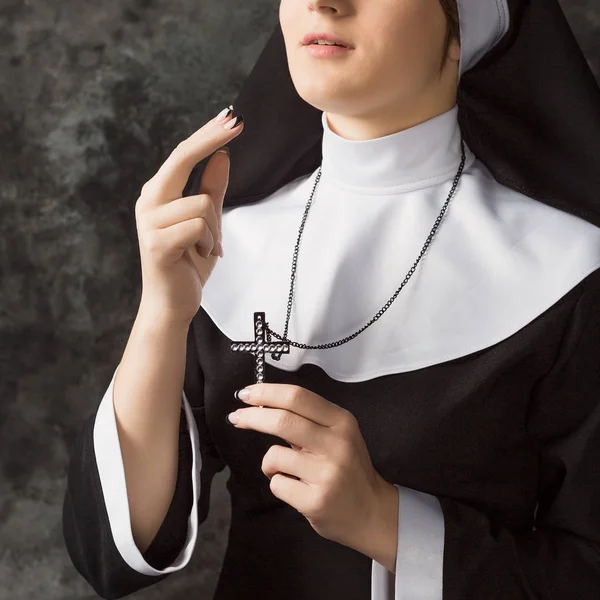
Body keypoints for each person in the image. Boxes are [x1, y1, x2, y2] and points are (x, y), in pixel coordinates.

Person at [62, 0, 600, 599]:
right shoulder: (223, 242)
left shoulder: (569, 270)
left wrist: (388, 523)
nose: (325, 2)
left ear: (460, 30)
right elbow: (110, 554)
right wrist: (162, 313)